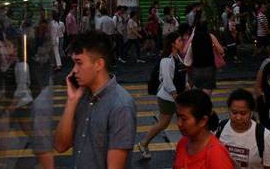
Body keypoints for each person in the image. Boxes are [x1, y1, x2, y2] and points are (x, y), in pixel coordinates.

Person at [54, 31, 137, 169]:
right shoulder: (81, 95)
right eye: (73, 63)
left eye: (79, 63)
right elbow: (60, 146)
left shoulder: (121, 106)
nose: (74, 71)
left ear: (99, 64)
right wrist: (71, 101)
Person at [138, 32, 186, 159]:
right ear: (173, 44)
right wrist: (177, 97)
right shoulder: (166, 60)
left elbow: (181, 77)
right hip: (168, 98)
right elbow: (167, 82)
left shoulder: (178, 58)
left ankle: (188, 146)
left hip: (176, 97)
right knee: (163, 124)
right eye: (180, 40)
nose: (182, 42)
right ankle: (143, 143)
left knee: (184, 121)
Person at [216, 88, 270, 169]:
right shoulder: (219, 128)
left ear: (251, 112)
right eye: (234, 112)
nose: (238, 117)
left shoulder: (264, 135)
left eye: (243, 113)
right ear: (229, 110)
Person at [173, 89, 234, 169]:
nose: (179, 123)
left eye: (184, 119)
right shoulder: (183, 143)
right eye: (177, 116)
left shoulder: (216, 155)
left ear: (203, 121)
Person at [189, 19, 219, 95]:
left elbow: (186, 50)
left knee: (198, 93)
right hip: (209, 68)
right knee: (207, 95)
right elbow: (221, 50)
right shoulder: (210, 36)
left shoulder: (194, 38)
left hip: (196, 68)